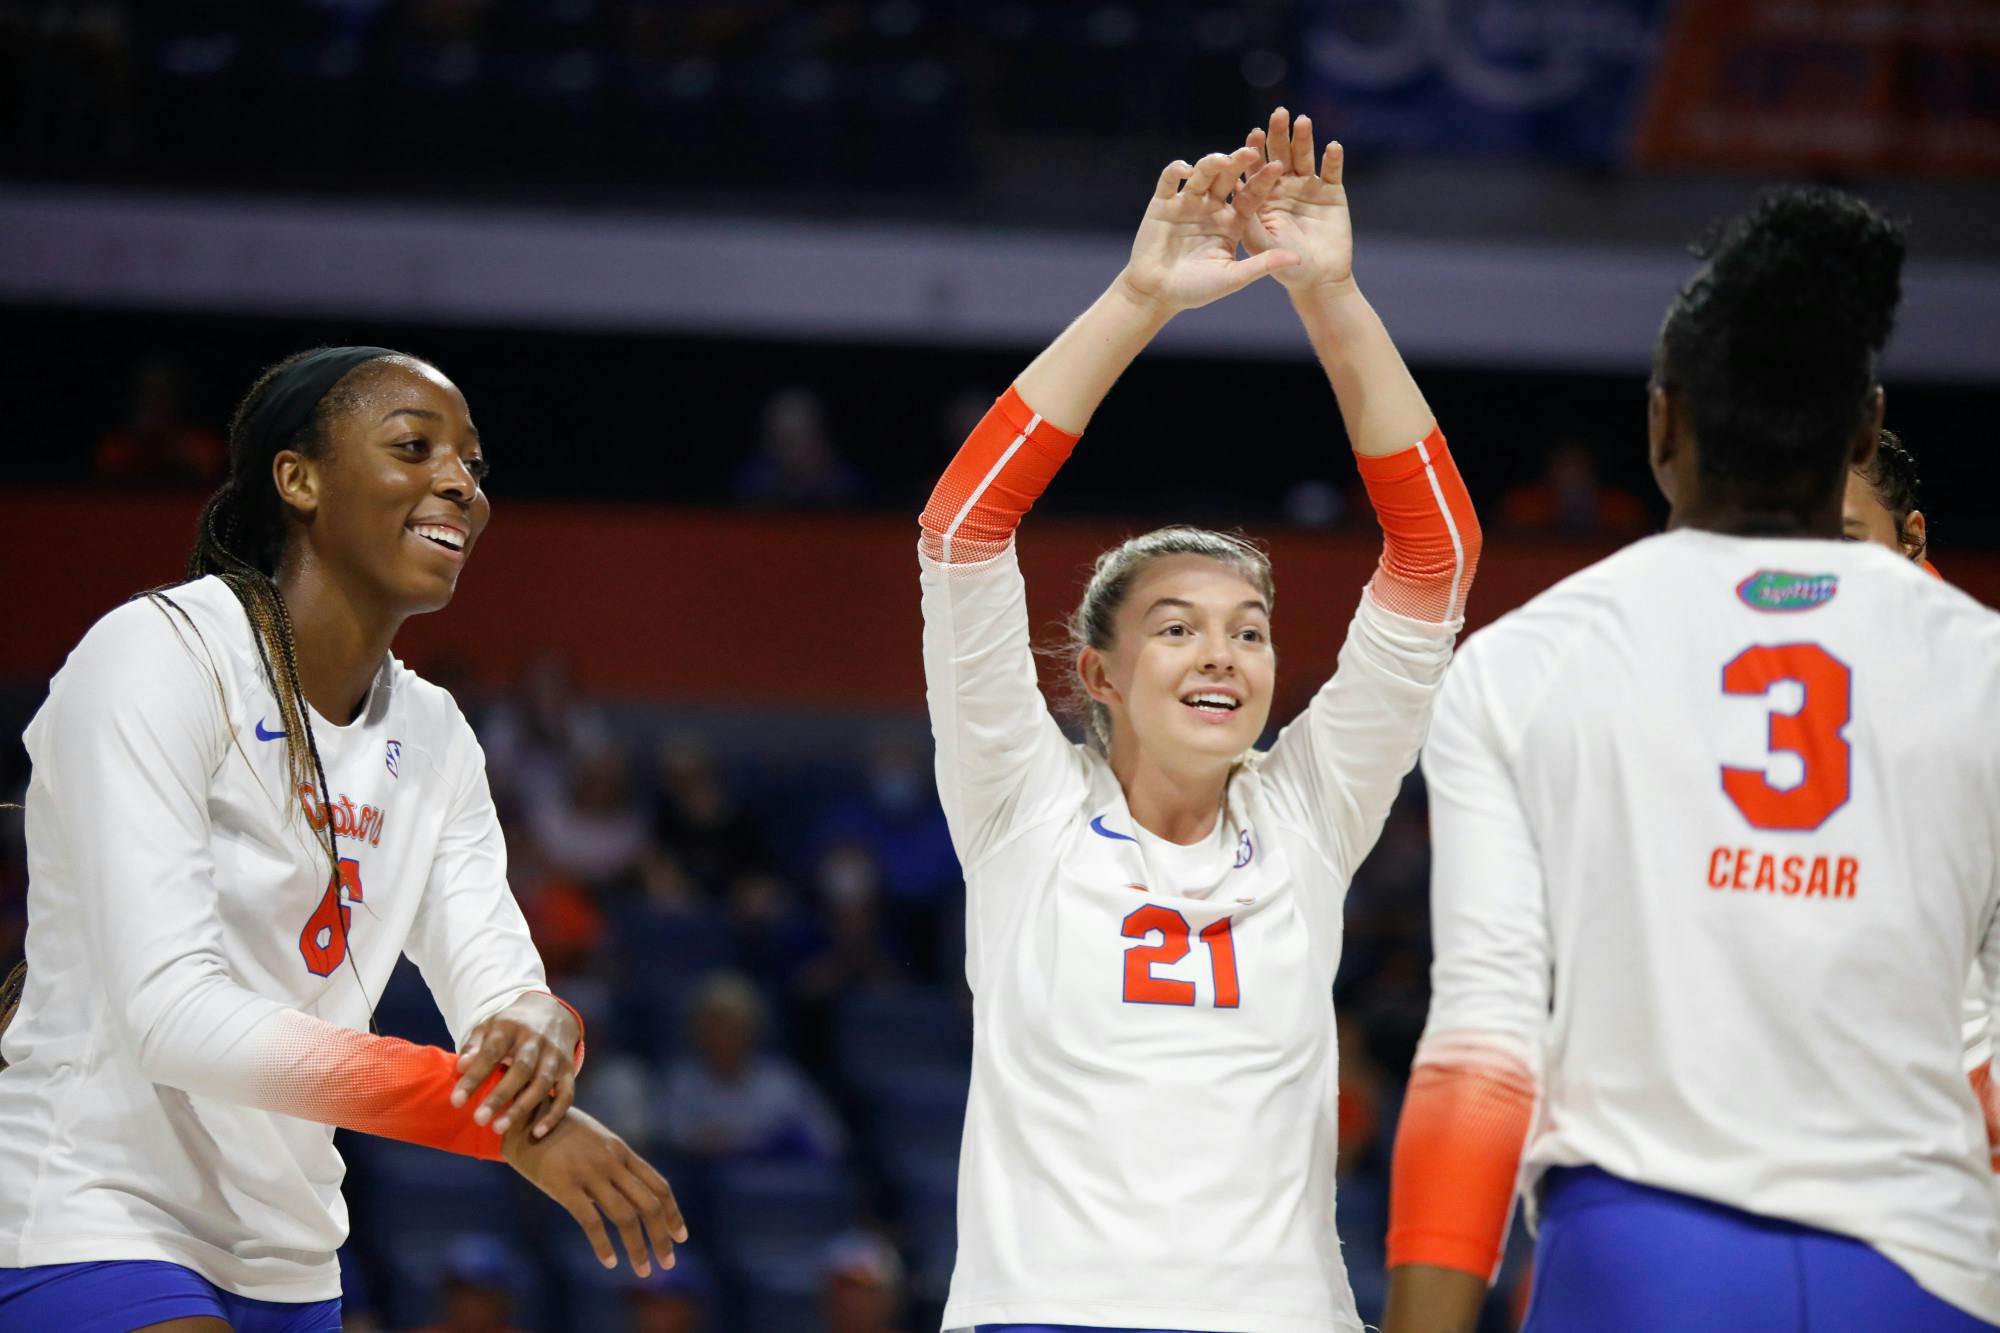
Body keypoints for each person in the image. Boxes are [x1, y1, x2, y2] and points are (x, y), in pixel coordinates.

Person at [1383, 190, 2000, 1332]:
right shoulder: (1979, 666)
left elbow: (1480, 1044)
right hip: (1923, 1268)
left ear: (1662, 426)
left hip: (1638, 1257)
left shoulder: (1526, 663)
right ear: (1862, 430)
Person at [919, 109, 1481, 1333]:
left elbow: (1434, 556)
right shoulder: (1021, 801)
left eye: (1247, 627)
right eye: (1175, 627)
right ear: (1099, 674)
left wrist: (1327, 293)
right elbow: (964, 529)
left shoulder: (1310, 809)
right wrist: (1138, 300)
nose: (1221, 652)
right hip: (1041, 1312)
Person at [0, 347, 685, 1333]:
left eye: (474, 467)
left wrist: (539, 1041)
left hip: (288, 1249)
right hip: (86, 1206)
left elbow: (499, 981)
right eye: (415, 448)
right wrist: (493, 1126)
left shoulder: (436, 732)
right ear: (299, 479)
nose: (459, 482)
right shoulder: (157, 656)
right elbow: (173, 1016)